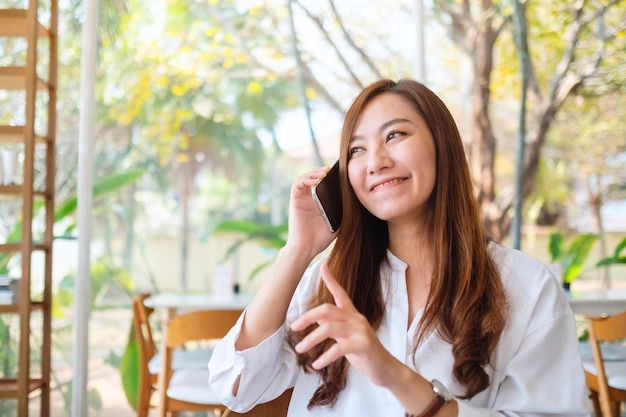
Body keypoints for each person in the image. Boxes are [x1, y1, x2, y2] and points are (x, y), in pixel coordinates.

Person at [208, 78, 589, 416]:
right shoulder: (325, 285)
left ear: (443, 146)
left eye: (395, 135)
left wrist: (395, 376)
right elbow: (236, 386)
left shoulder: (525, 286)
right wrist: (298, 250)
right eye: (356, 150)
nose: (376, 161)